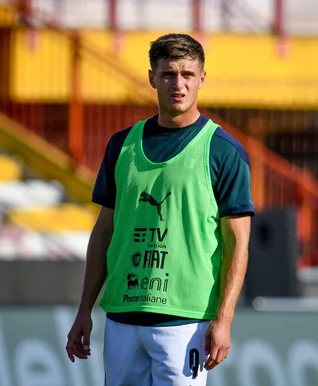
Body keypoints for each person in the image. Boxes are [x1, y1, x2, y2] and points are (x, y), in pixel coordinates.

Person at [65, 33, 254, 385]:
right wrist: (84, 310)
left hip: (185, 322)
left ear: (202, 79)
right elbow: (104, 230)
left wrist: (224, 320)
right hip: (123, 315)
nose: (177, 84)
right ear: (152, 77)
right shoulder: (122, 145)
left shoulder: (223, 151)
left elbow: (237, 243)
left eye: (187, 74)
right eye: (168, 74)